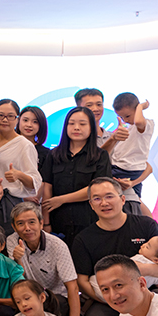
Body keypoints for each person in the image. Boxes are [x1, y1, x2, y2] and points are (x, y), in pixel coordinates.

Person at [71, 177, 158, 316]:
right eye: (97, 198)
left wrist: (139, 269)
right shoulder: (84, 239)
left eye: (109, 196)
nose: (104, 203)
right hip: (108, 298)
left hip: (146, 293)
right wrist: (111, 298)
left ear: (123, 199)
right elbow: (82, 281)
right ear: (91, 205)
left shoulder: (146, 225)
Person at [7, 201, 82, 316]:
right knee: (5, 312)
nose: (27, 228)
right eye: (20, 223)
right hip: (27, 296)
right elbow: (20, 279)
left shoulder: (58, 246)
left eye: (32, 222)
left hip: (55, 297)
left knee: (54, 305)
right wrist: (18, 259)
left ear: (41, 223)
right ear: (14, 227)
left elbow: (72, 287)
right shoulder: (12, 241)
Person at [41, 106, 111, 247]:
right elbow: (47, 188)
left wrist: (62, 199)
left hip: (89, 221)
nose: (76, 128)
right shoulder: (53, 155)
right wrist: (46, 222)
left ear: (91, 128)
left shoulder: (100, 156)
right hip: (58, 222)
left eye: (82, 124)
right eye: (71, 123)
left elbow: (97, 189)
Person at [0, 99, 42, 233]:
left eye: (10, 116)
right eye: (0, 115)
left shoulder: (24, 145)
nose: (5, 120)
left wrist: (19, 175)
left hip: (11, 204)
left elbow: (35, 182)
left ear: (17, 119)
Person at [110, 93, 153, 209]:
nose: (125, 120)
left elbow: (139, 121)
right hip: (123, 168)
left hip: (127, 169)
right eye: (122, 117)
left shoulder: (146, 125)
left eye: (128, 116)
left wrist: (141, 106)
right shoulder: (129, 128)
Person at [75, 88, 126, 152]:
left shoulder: (113, 136)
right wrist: (112, 140)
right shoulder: (76, 138)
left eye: (99, 104)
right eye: (89, 105)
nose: (95, 109)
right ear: (78, 108)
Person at [16, 106, 51, 171]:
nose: (29, 125)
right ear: (18, 121)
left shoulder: (46, 153)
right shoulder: (8, 145)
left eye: (35, 122)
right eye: (25, 120)